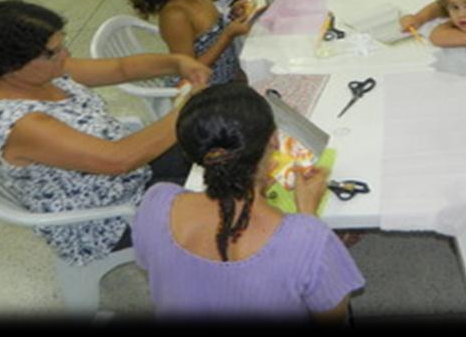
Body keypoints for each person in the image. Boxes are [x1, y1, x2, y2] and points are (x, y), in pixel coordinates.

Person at [0, 0, 211, 267]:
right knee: (224, 197)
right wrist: (187, 108)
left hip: (129, 177)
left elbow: (121, 68)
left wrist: (177, 63)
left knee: (221, 148)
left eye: (62, 44)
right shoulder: (20, 123)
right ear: (11, 66)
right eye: (53, 52)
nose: (66, 55)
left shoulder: (46, 73)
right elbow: (118, 160)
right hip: (105, 219)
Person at [132, 81, 365, 320]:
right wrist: (307, 214)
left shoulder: (156, 202)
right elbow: (332, 317)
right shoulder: (309, 238)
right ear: (275, 141)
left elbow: (154, 265)